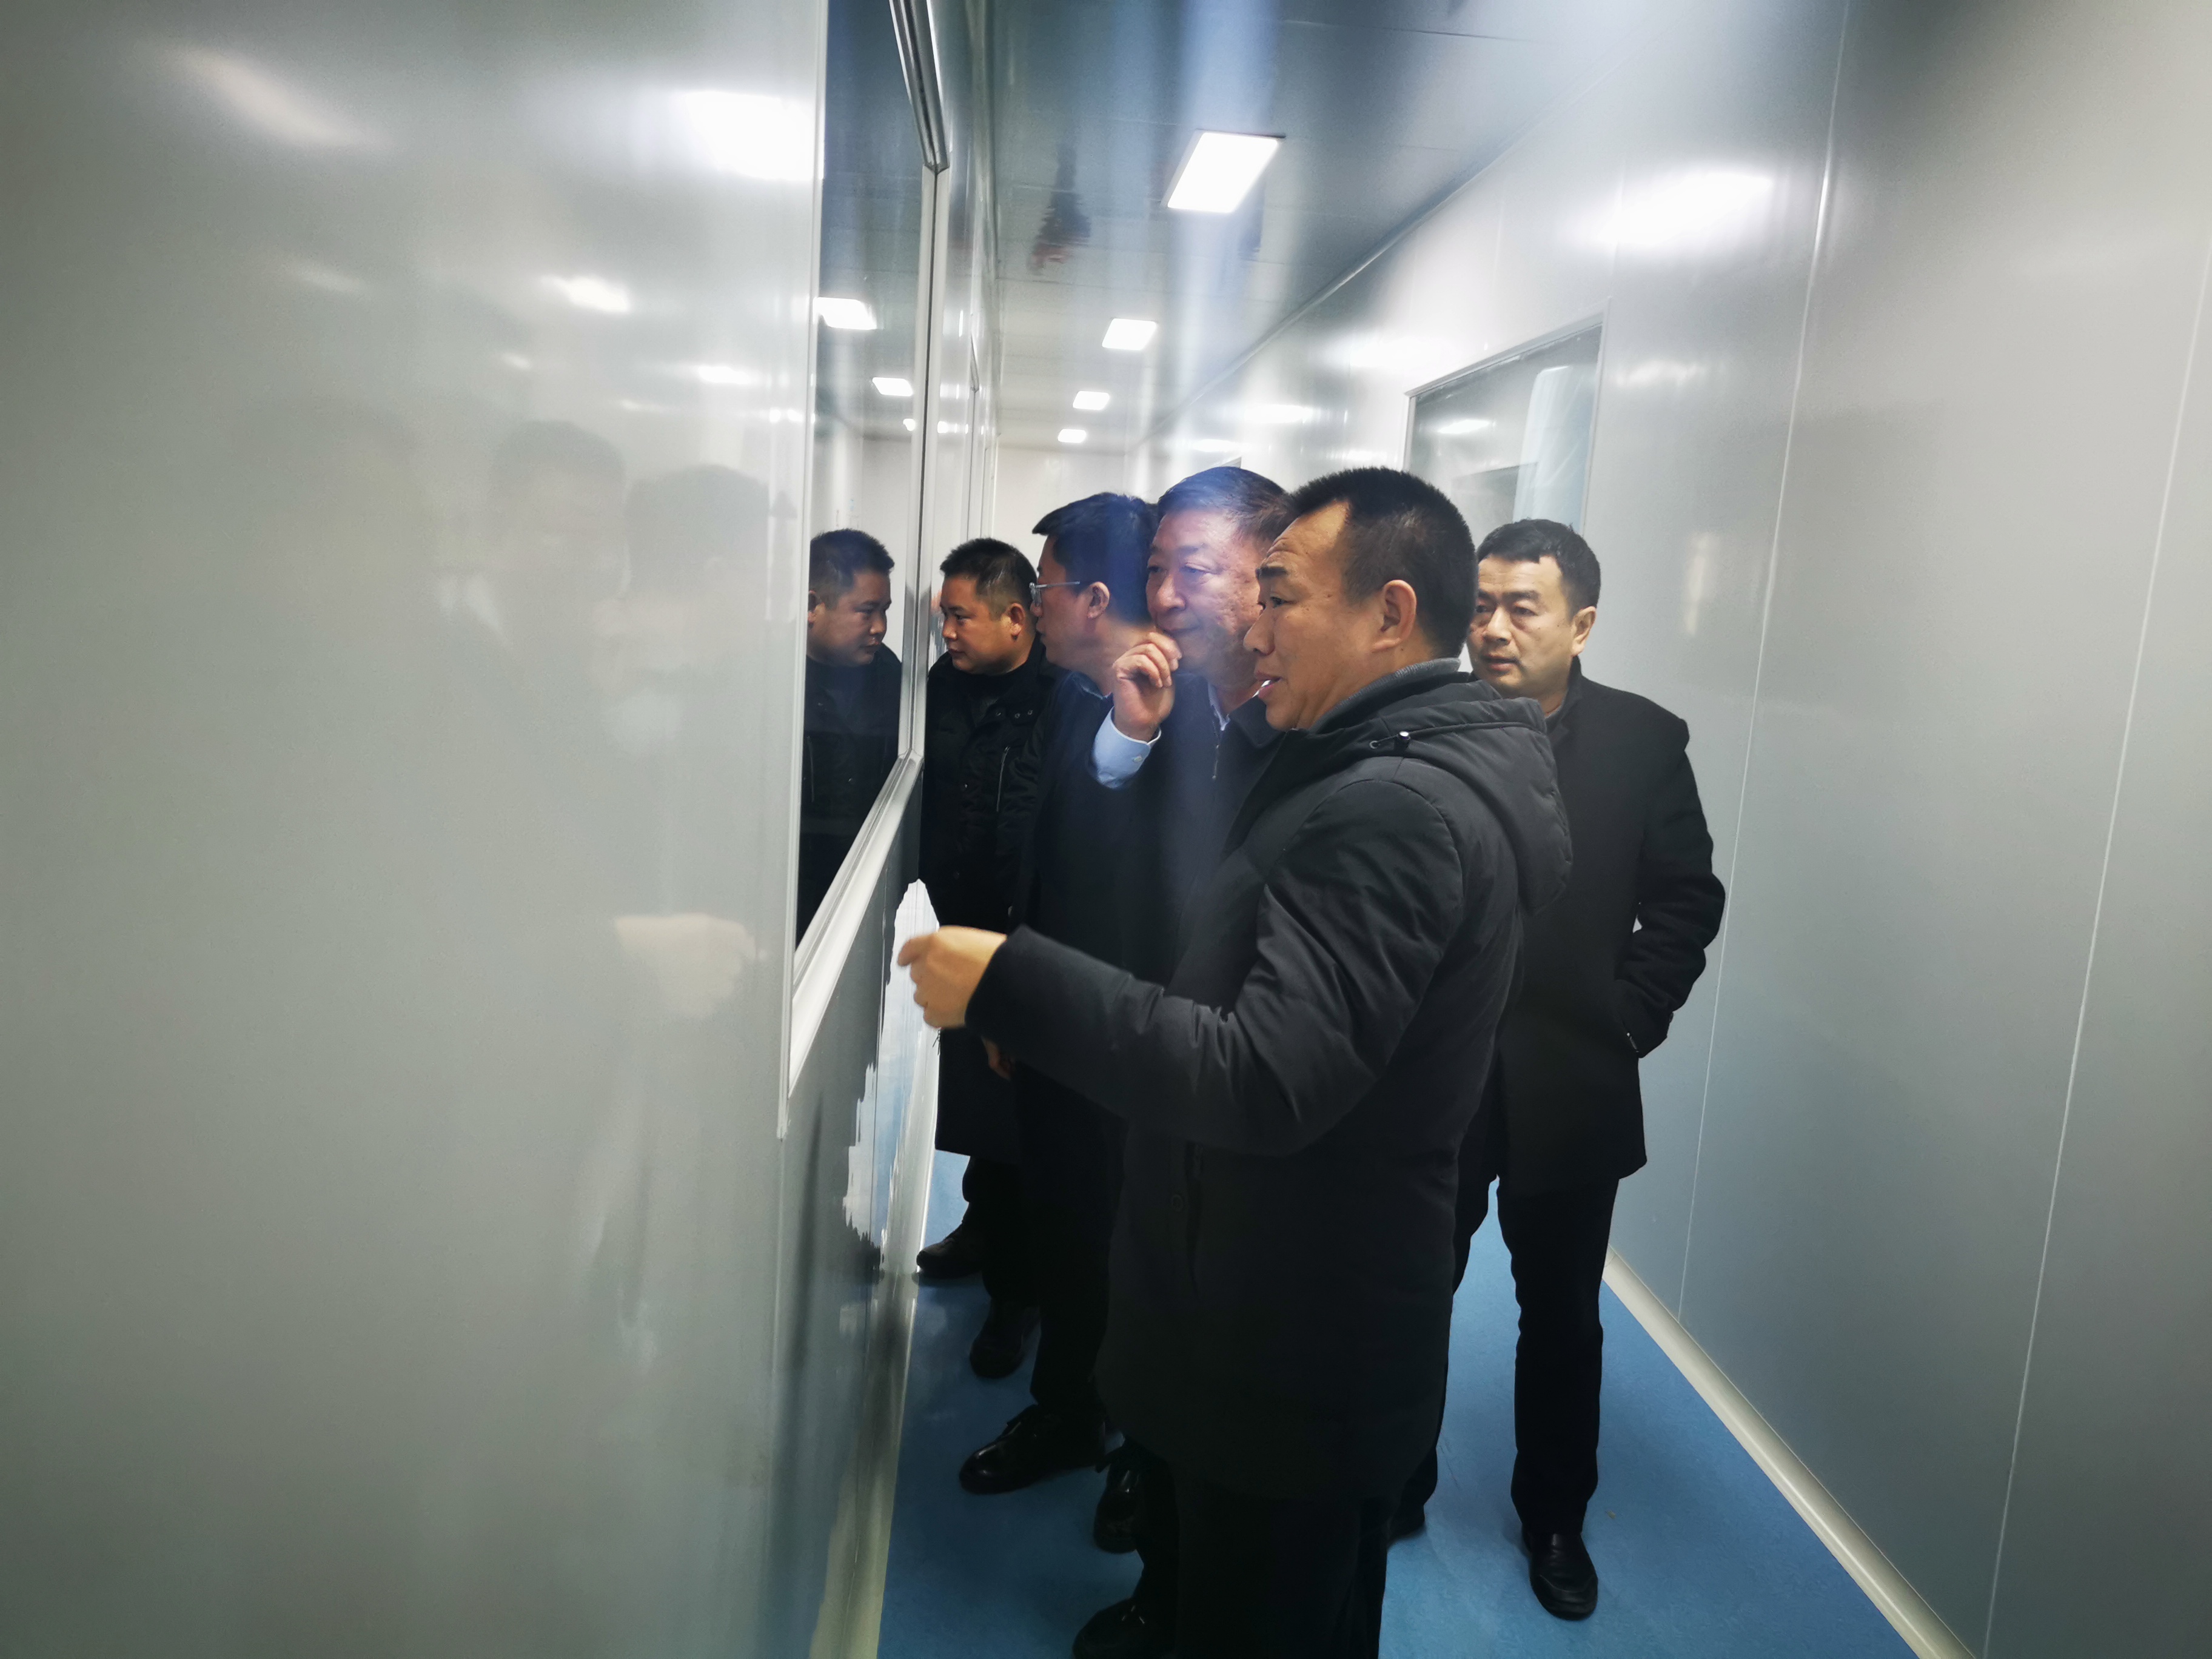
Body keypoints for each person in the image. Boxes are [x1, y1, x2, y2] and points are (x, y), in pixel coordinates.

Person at [900, 469, 1572, 1659]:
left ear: (1387, 614)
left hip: (1296, 1327)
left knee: (1269, 1605)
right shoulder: (1352, 755)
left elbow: (1266, 1076)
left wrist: (1009, 981)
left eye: (1279, 593)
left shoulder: (1394, 803)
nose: (1254, 624)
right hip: (1261, 1286)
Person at [1404, 517, 1726, 1621]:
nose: (1491, 629)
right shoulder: (1423, 727)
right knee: (1411, 1290)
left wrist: (1626, 1021)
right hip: (1435, 1077)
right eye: (1480, 606)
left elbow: (1685, 900)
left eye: (1520, 607)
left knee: (1559, 1316)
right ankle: (1396, 1476)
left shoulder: (1643, 742)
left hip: (1571, 1080)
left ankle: (1553, 1516)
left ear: (1580, 623)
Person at [1071, 465, 1295, 1651]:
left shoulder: (1313, 728)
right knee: (1149, 1314)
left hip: (1264, 1100)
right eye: (1155, 568)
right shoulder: (1168, 705)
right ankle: (1152, 1539)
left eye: (1193, 568)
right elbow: (1095, 870)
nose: (1162, 593)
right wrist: (1127, 738)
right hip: (1154, 1075)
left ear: (1272, 575)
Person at [953, 492, 1158, 1500]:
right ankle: (1076, 1412)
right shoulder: (1073, 696)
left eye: (1045, 588)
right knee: (1069, 1231)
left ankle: (1135, 1446)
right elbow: (1040, 861)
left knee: (1132, 1249)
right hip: (1058, 1025)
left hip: (1136, 1042)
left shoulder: (1187, 719)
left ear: (1095, 599)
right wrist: (1014, 997)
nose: (1034, 607)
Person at [914, 537, 1059, 1379]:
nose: (948, 632)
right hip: (957, 931)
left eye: (960, 617)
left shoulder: (1060, 698)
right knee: (977, 1102)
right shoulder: (940, 688)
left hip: (1026, 941)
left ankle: (1018, 1295)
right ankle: (980, 1229)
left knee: (1023, 1122)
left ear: (1015, 617)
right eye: (944, 617)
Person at [797, 528, 900, 937]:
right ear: (812, 606)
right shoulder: (772, 681)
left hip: (867, 890)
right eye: (866, 611)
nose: (880, 627)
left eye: (885, 611)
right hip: (790, 896)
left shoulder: (892, 676)